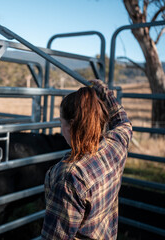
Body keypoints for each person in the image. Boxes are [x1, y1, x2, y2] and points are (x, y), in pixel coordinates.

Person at [41, 80, 132, 239]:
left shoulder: (69, 177)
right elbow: (123, 121)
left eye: (60, 122)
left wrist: (102, 91)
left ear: (70, 126)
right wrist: (104, 92)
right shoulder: (116, 145)